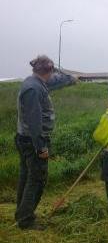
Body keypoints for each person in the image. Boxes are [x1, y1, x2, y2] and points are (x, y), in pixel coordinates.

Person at [15, 55, 76, 230]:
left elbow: (56, 81)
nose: (53, 75)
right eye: (53, 71)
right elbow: (34, 123)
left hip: (27, 140)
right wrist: (41, 147)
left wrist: (71, 79)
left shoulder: (36, 82)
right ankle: (26, 220)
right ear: (48, 71)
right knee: (37, 179)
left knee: (27, 177)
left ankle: (22, 213)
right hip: (33, 142)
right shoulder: (33, 89)